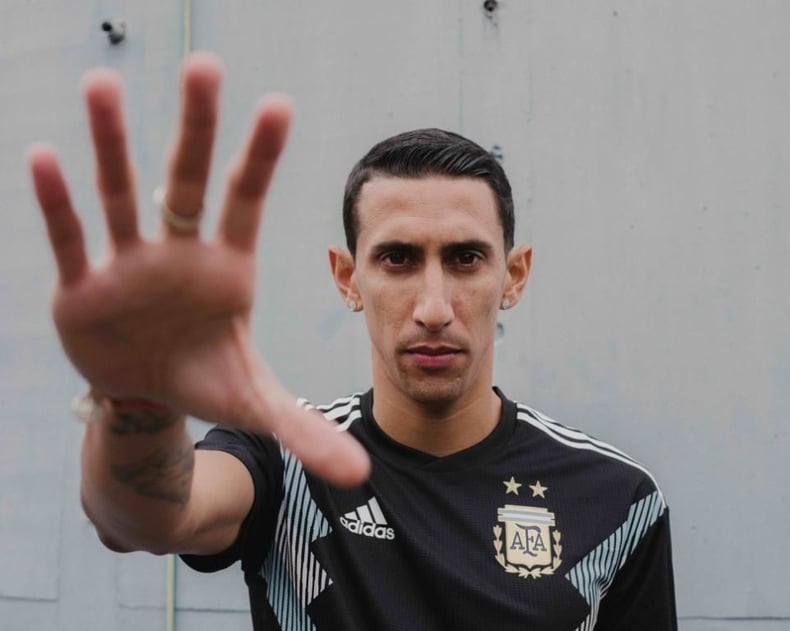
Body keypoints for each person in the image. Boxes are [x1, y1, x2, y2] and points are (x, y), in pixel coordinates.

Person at [29, 52, 676, 630]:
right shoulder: (286, 463)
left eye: (465, 258)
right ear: (348, 277)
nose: (432, 307)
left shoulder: (618, 498)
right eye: (397, 258)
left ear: (514, 275)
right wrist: (139, 397)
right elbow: (141, 519)